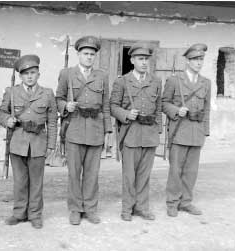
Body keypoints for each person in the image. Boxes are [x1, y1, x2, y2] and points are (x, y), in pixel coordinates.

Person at [56, 36, 112, 225]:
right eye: (85, 53)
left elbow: (106, 106)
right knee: (74, 173)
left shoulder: (102, 76)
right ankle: (75, 209)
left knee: (92, 173)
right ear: (78, 54)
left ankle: (90, 208)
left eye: (92, 54)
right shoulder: (67, 74)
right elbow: (58, 98)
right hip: (75, 128)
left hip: (96, 129)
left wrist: (107, 132)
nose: (89, 57)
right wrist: (65, 106)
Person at [0, 55, 58, 229]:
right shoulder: (12, 92)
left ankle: (35, 214)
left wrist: (51, 145)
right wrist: (6, 119)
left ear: (38, 74)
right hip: (17, 142)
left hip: (39, 142)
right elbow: (1, 112)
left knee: (36, 181)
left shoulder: (47, 93)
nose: (29, 76)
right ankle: (18, 213)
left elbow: (52, 121)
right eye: (25, 74)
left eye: (33, 72)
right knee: (20, 181)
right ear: (20, 76)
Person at [110, 42, 162, 221]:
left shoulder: (155, 81)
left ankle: (142, 207)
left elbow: (158, 107)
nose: (144, 62)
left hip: (149, 134)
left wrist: (158, 129)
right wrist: (126, 114)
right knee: (129, 175)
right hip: (130, 133)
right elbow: (113, 106)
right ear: (132, 60)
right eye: (140, 59)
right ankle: (127, 208)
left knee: (144, 174)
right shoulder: (122, 81)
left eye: (147, 59)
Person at [162, 43, 211, 217]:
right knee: (176, 170)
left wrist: (205, 131)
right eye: (195, 59)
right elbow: (164, 103)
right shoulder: (175, 80)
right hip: (179, 131)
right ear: (188, 61)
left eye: (201, 59)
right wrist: (176, 110)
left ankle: (186, 202)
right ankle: (172, 202)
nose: (199, 63)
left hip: (196, 131)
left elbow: (207, 109)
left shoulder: (206, 83)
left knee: (192, 171)